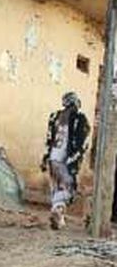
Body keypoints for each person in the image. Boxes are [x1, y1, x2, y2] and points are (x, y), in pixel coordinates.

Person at [41, 92, 90, 230]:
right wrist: (74, 160)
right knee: (69, 190)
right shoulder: (79, 119)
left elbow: (49, 139)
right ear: (75, 103)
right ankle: (57, 211)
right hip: (66, 160)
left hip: (52, 158)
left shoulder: (54, 117)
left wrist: (45, 158)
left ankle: (59, 219)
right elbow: (83, 143)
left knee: (56, 188)